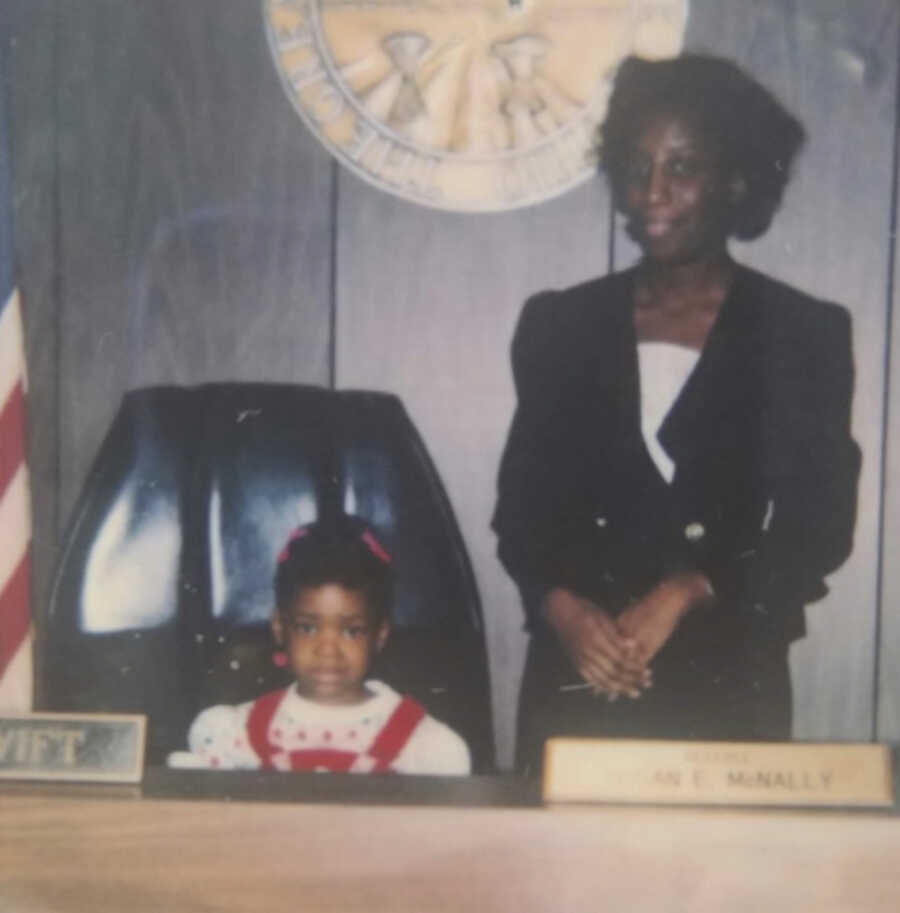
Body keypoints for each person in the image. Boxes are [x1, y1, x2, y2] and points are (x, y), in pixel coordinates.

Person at [492, 53, 861, 775]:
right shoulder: (560, 324)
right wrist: (562, 609)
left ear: (736, 178)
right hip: (579, 679)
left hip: (729, 680)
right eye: (636, 167)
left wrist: (692, 587)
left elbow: (819, 523)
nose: (652, 192)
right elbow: (522, 513)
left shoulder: (801, 331)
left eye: (682, 168)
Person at [168, 517, 471, 775]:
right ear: (280, 628)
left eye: (352, 631)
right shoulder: (240, 733)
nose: (328, 649)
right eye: (308, 628)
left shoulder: (417, 741)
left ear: (379, 635)